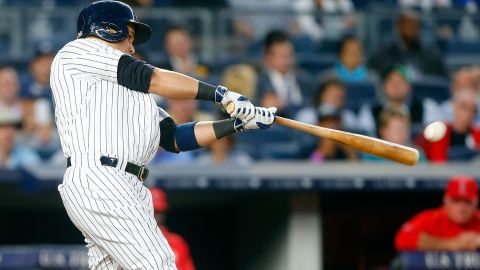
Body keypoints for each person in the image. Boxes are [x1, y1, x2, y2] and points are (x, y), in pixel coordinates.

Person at [52, 1, 276, 269]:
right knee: (157, 261)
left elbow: (173, 137)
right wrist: (221, 94)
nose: (132, 47)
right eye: (129, 36)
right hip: (99, 178)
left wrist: (236, 124)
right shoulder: (77, 52)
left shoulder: (133, 96)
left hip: (127, 185)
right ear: (107, 29)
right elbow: (152, 77)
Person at [395, 176, 480, 251]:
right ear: (446, 201)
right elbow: (402, 239)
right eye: (456, 201)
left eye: (467, 201)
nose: (461, 208)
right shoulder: (432, 218)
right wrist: (452, 244)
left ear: (475, 203)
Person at [357, 65, 437, 136]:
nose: (396, 86)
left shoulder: (426, 107)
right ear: (384, 86)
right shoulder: (369, 110)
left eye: (401, 82)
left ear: (409, 87)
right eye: (392, 82)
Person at [368, 10, 447, 79]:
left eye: (415, 26)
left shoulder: (432, 56)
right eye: (408, 26)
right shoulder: (384, 55)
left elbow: (443, 78)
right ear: (399, 27)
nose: (412, 30)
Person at [415, 89, 480, 163]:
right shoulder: (437, 132)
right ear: (453, 106)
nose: (469, 113)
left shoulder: (478, 135)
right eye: (464, 107)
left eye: (473, 110)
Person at [257, 30, 306, 117]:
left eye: (289, 55)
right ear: (269, 57)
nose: (287, 60)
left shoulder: (304, 80)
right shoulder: (259, 82)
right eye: (282, 56)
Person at [150, 188, 196, 270]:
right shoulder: (132, 241)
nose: (157, 217)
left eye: (159, 212)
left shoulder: (177, 242)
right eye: (153, 212)